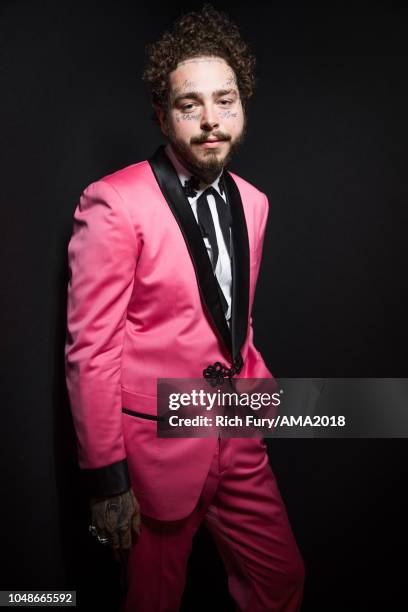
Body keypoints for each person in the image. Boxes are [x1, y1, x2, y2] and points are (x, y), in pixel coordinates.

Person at [64, 4, 305, 611]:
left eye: (224, 100)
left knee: (281, 580)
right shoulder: (114, 202)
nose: (209, 120)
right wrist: (107, 481)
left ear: (243, 106)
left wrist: (256, 401)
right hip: (155, 453)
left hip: (237, 439)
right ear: (162, 114)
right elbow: (91, 351)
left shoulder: (255, 202)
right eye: (188, 104)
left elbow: (232, 321)